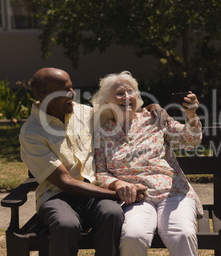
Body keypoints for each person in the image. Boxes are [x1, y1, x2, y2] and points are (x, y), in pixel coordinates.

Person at [19, 67, 146, 256]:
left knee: (112, 214)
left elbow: (123, 113)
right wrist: (116, 195)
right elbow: (64, 182)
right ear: (45, 97)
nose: (72, 94)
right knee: (66, 224)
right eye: (65, 91)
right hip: (57, 196)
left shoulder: (86, 114)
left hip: (94, 194)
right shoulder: (32, 133)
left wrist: (150, 108)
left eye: (71, 87)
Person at [92, 71, 203, 256]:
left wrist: (190, 115)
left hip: (172, 193)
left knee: (183, 234)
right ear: (106, 102)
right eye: (120, 93)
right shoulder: (103, 133)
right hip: (136, 197)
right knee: (133, 236)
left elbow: (190, 141)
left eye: (131, 92)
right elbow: (101, 172)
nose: (127, 97)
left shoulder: (155, 118)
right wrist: (119, 184)